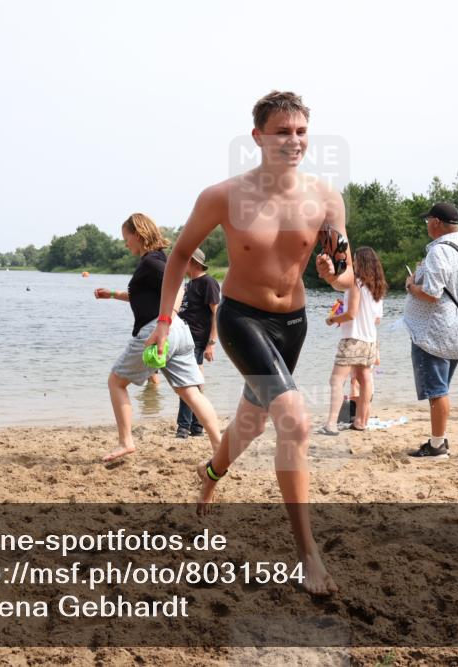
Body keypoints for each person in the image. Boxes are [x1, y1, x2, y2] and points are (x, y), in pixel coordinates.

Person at [145, 91, 348, 595]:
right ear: (257, 137)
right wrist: (165, 321)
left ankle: (212, 469)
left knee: (254, 422)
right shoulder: (223, 196)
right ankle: (307, 556)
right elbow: (178, 257)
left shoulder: (326, 198)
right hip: (241, 319)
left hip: (294, 322)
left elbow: (344, 274)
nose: (293, 141)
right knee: (295, 420)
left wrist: (333, 274)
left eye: (301, 132)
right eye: (282, 131)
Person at [96, 213, 222, 462]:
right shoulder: (157, 260)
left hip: (159, 329)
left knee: (116, 383)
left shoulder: (152, 262)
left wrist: (165, 322)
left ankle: (126, 442)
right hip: (179, 332)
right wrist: (111, 294)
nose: (125, 244)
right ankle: (221, 446)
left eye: (126, 238)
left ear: (139, 235)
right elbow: (147, 296)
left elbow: (178, 287)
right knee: (191, 392)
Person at [404, 202, 458, 459]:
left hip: (434, 333)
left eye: (428, 221)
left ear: (436, 222)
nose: (427, 225)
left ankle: (436, 446)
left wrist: (411, 285)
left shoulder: (440, 251)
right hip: (457, 329)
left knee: (437, 391)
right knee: (441, 388)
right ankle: (439, 438)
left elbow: (431, 293)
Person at [318, 246, 386, 435]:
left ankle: (331, 423)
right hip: (370, 341)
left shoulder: (356, 283)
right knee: (365, 380)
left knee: (336, 380)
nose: (353, 263)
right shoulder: (377, 287)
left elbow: (351, 314)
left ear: (360, 263)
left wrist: (333, 319)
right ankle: (361, 421)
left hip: (353, 340)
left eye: (354, 260)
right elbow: (377, 319)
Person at [174, 248, 221, 439]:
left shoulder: (208, 282)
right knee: (193, 380)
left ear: (193, 262)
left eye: (185, 260)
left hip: (197, 340)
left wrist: (212, 342)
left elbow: (217, 313)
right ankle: (197, 426)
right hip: (183, 340)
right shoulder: (189, 283)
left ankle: (183, 428)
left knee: (187, 382)